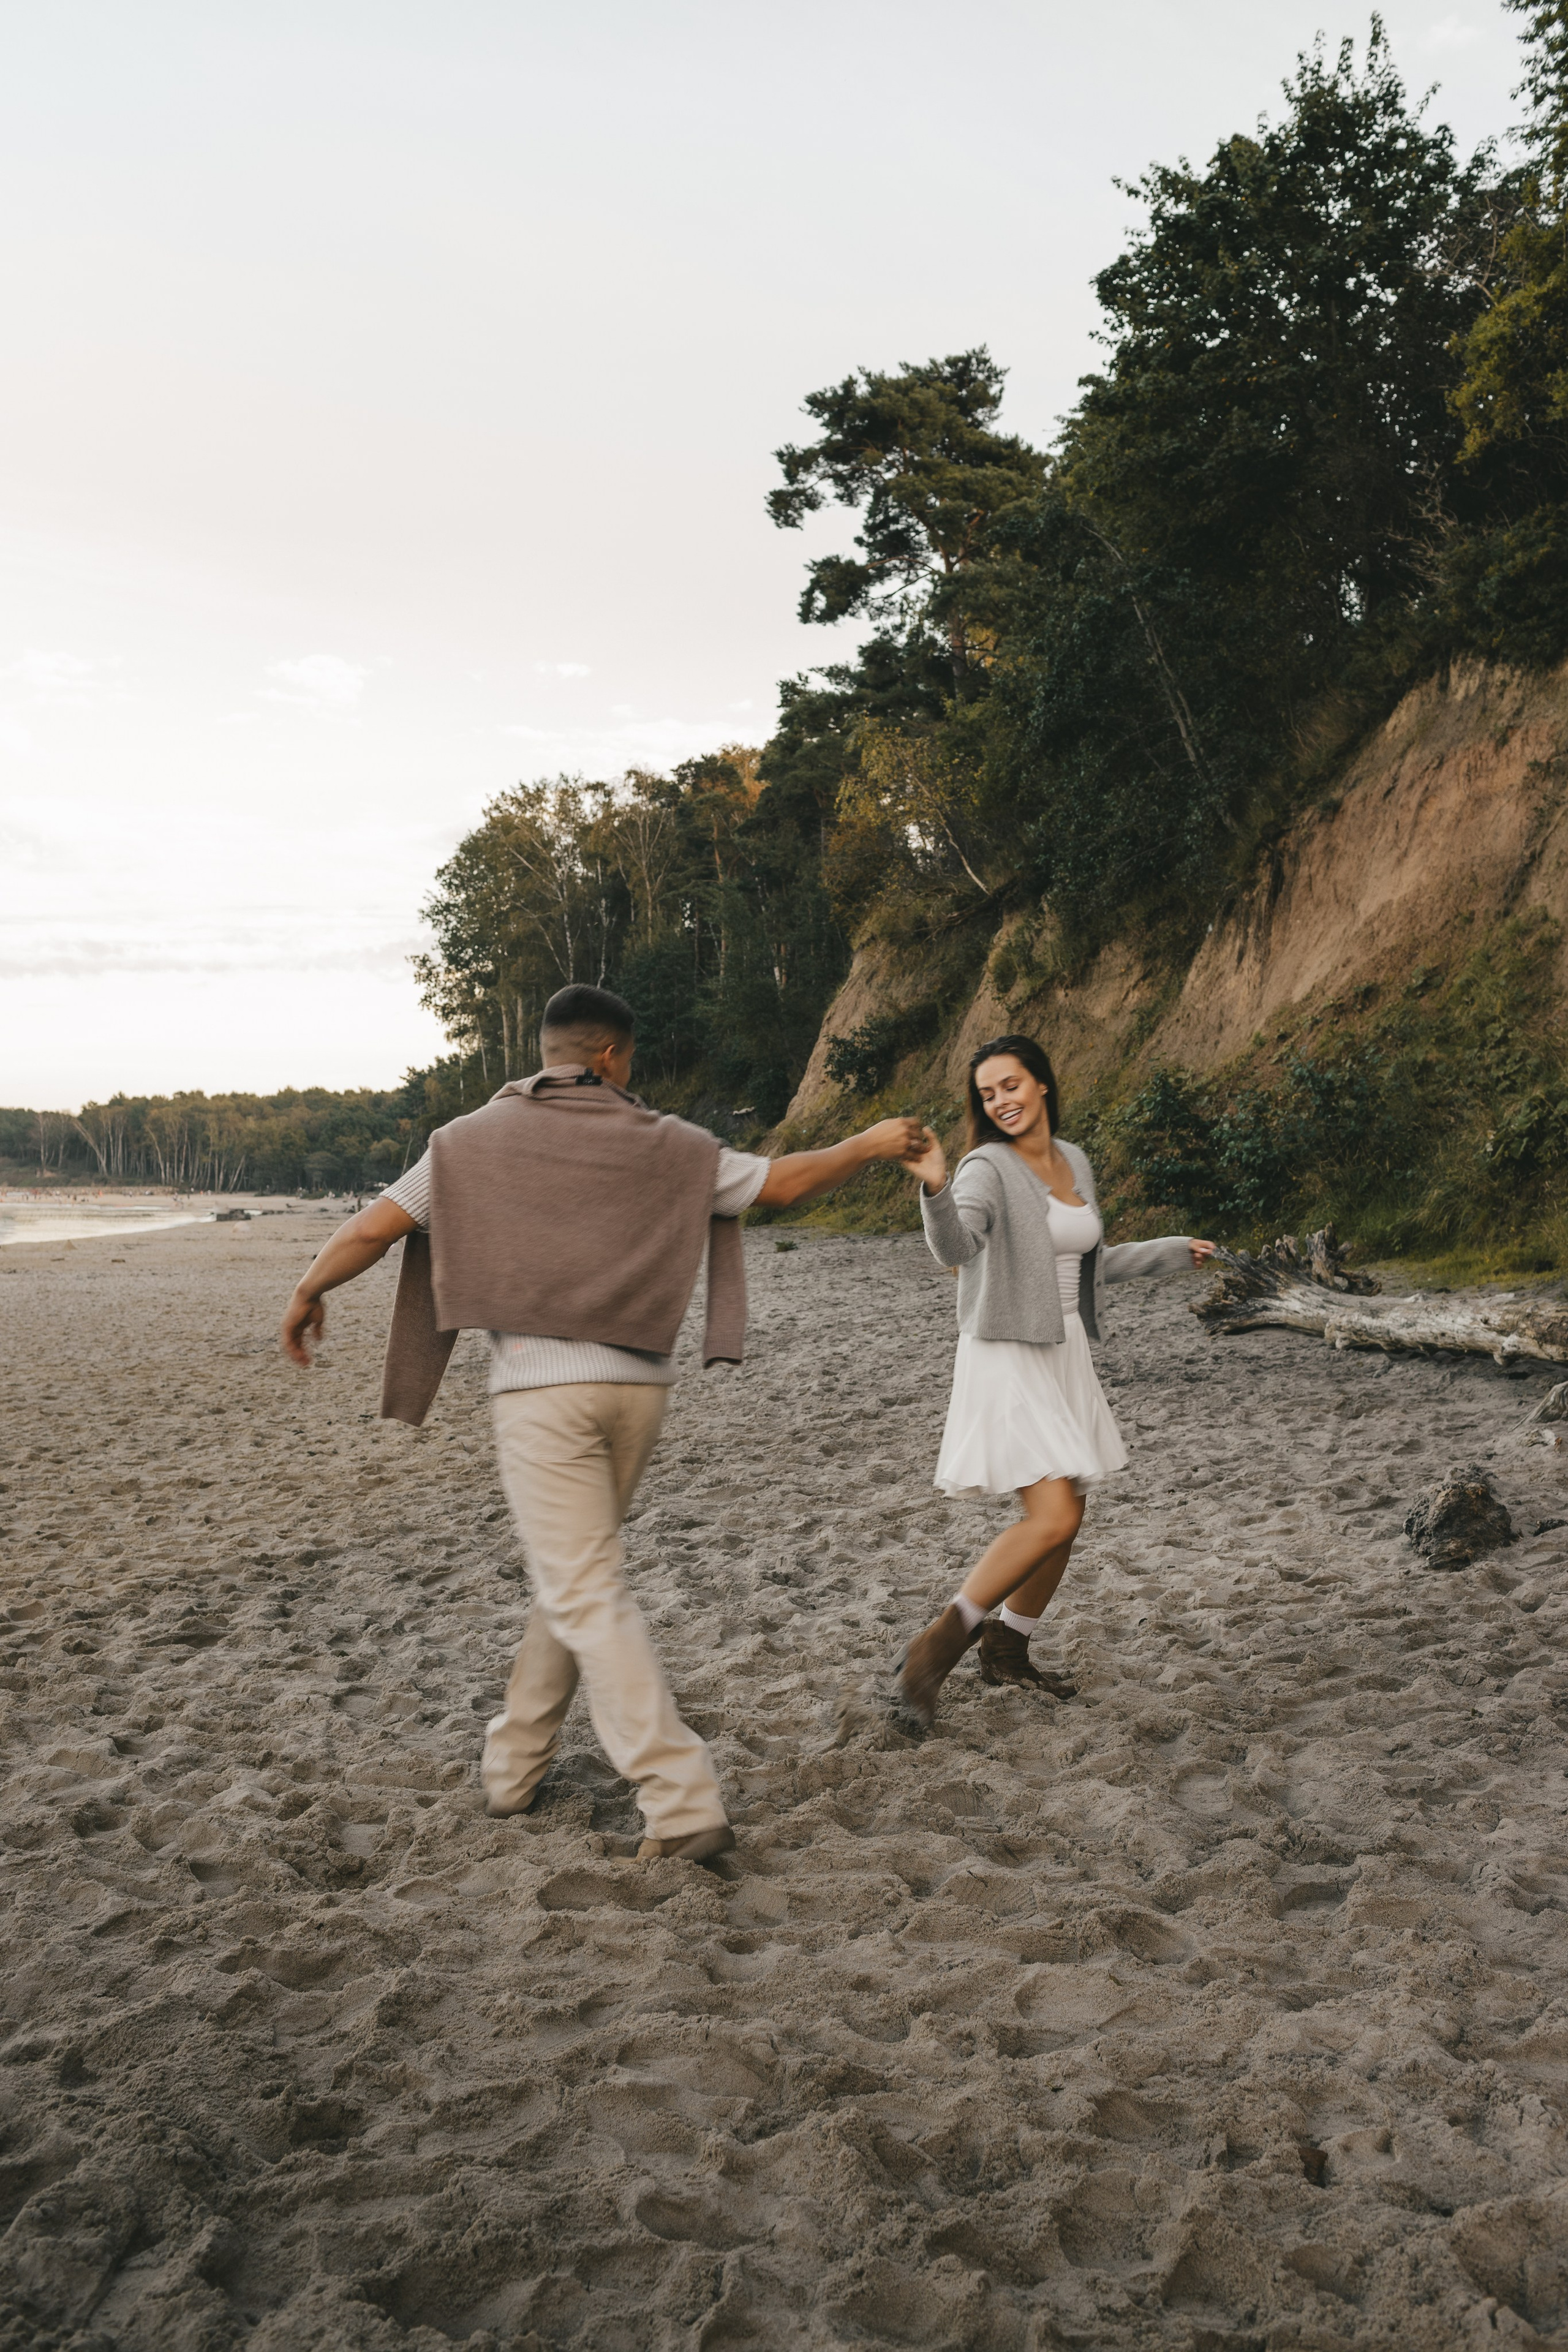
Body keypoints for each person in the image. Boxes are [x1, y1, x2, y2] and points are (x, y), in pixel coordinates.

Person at [279, 984, 926, 1863]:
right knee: (574, 1574)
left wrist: (310, 1288)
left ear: (549, 1051)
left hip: (541, 1392)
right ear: (615, 1056)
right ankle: (514, 1767)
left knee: (584, 1586)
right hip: (639, 1392)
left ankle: (681, 1798)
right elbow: (781, 1185)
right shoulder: (666, 1144)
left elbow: (373, 1230)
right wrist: (870, 1142)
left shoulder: (467, 1143)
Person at [896, 1033, 1213, 1723]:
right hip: (1007, 1350)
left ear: (1041, 1083)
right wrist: (935, 1186)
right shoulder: (985, 1168)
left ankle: (1007, 1649)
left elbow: (1083, 1263)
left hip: (1063, 1349)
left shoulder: (1073, 1160)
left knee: (1066, 1518)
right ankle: (933, 1652)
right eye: (987, 1093)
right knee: (1055, 1514)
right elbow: (955, 1248)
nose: (1000, 1100)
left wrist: (1166, 1253)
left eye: (1010, 1085)